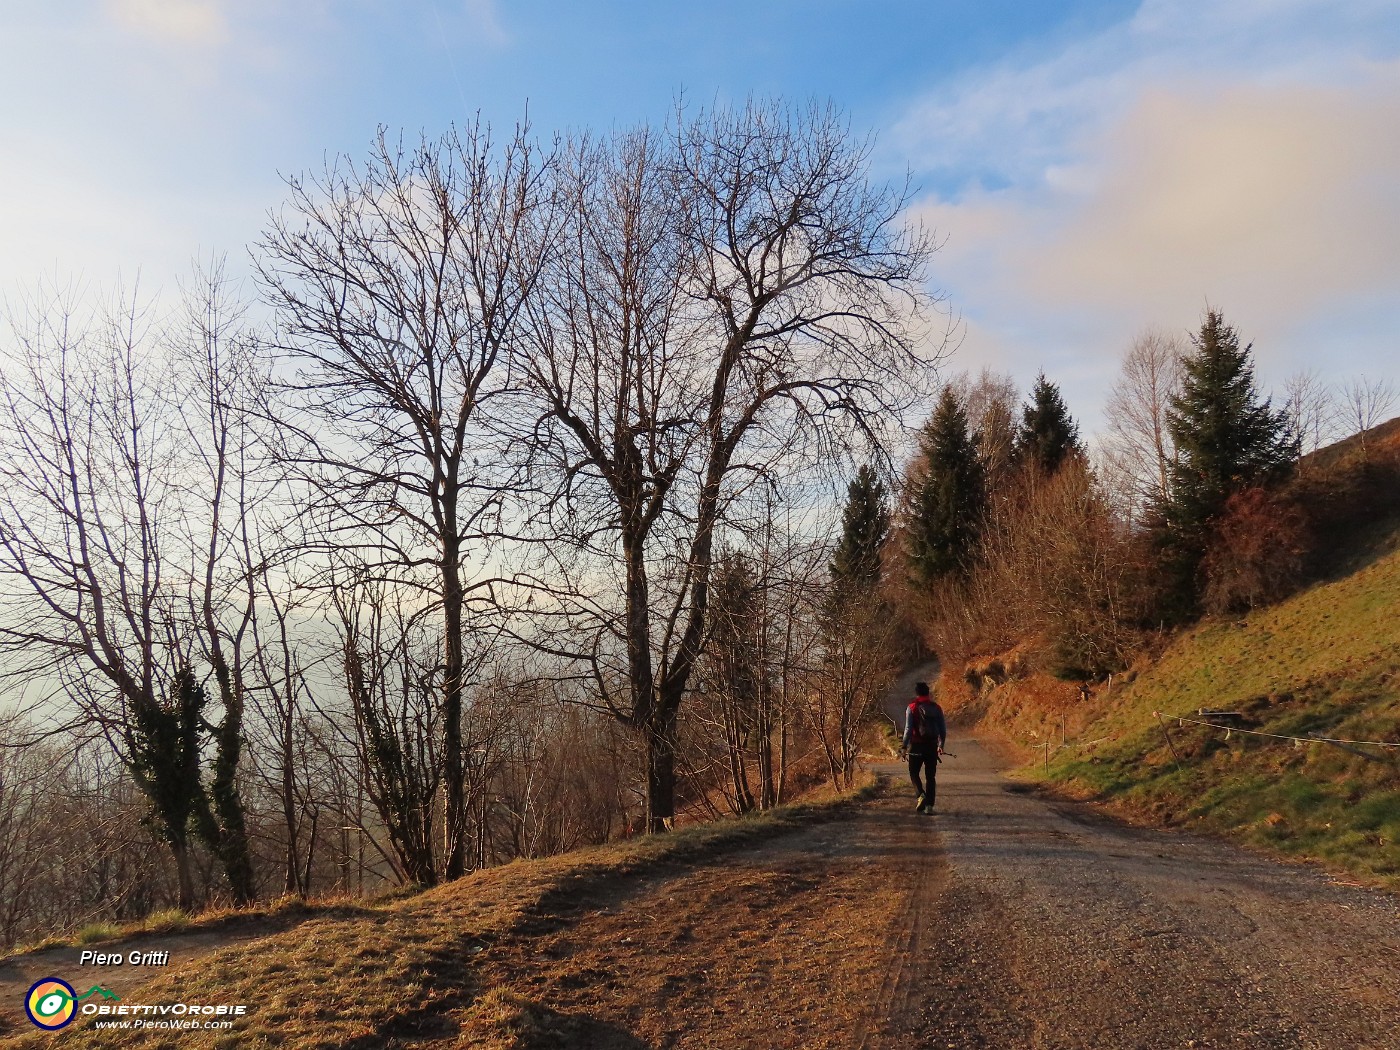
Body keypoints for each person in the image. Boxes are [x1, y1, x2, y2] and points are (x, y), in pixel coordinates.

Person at [902, 681, 946, 814]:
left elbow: (908, 729)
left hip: (916, 746)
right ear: (928, 693)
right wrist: (940, 745)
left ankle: (920, 795)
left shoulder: (912, 707)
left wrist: (904, 746)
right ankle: (929, 807)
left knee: (914, 773)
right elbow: (942, 729)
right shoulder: (937, 708)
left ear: (916, 693)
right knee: (930, 777)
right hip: (932, 746)